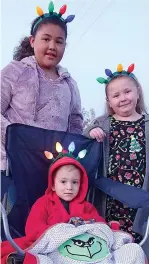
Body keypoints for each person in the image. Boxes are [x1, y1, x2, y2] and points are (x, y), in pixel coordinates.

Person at [1, 142, 147, 264]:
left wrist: (109, 228)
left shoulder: (87, 206)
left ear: (81, 184)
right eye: (63, 182)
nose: (69, 187)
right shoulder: (43, 204)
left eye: (75, 182)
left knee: (132, 251)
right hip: (59, 252)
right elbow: (33, 230)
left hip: (94, 253)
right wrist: (64, 229)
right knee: (41, 261)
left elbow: (99, 226)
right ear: (52, 184)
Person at [1, 1, 83, 174]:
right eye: (46, 39)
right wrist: (16, 138)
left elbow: (75, 124)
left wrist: (67, 158)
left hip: (53, 169)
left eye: (59, 41)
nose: (52, 46)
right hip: (15, 164)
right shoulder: (15, 71)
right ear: (32, 41)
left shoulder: (70, 84)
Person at [84, 63, 149, 254]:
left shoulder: (146, 123)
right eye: (116, 95)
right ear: (109, 101)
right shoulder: (104, 122)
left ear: (137, 92)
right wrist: (92, 132)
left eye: (127, 91)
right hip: (110, 195)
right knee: (109, 237)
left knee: (134, 242)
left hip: (138, 194)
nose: (123, 98)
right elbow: (85, 134)